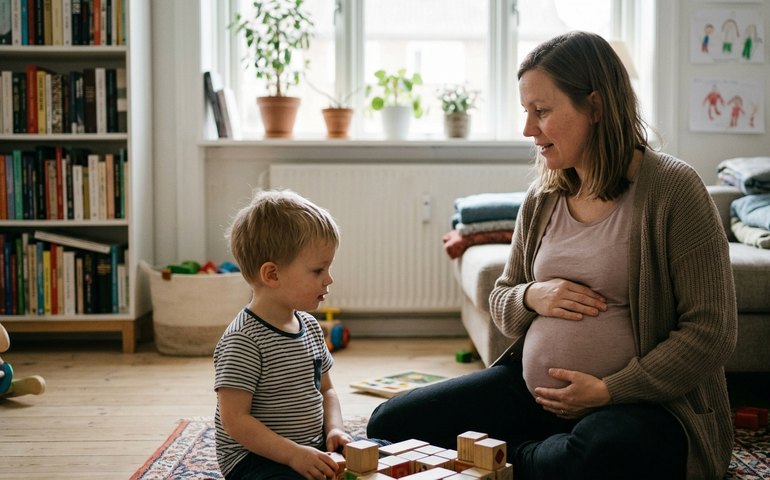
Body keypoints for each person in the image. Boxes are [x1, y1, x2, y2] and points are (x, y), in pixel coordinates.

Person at [367, 31, 737, 479]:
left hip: (641, 406)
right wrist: (532, 296)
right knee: (391, 422)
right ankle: (538, 457)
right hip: (533, 397)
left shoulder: (674, 190)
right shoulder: (544, 195)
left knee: (603, 449)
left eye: (541, 111)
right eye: (526, 111)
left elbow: (711, 331)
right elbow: (503, 300)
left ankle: (514, 457)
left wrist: (609, 389)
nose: (528, 129)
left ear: (595, 108)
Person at [213, 189, 350, 480]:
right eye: (318, 270)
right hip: (255, 460)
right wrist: (292, 454)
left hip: (308, 449)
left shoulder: (311, 327)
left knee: (378, 456)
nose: (329, 278)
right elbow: (234, 421)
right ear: (272, 275)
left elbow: (327, 390)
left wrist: (335, 429)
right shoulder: (243, 340)